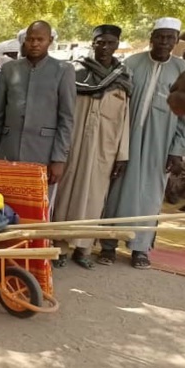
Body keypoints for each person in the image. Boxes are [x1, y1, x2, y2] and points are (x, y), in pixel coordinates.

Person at [99, 18, 185, 269]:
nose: (163, 42)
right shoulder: (131, 64)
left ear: (176, 39)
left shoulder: (183, 70)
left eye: (169, 37)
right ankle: (108, 244)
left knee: (150, 195)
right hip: (125, 140)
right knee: (116, 192)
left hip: (161, 145)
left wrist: (177, 151)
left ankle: (140, 248)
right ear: (151, 37)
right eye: (159, 36)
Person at [52, 25, 132, 269]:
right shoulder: (75, 72)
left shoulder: (122, 78)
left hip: (104, 149)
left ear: (117, 45)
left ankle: (84, 248)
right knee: (66, 196)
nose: (104, 47)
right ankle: (60, 246)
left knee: (94, 199)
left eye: (109, 43)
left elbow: (125, 119)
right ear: (93, 43)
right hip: (73, 145)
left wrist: (122, 155)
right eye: (100, 42)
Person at [0, 20, 76, 190]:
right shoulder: (9, 69)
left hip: (43, 155)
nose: (34, 44)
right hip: (7, 152)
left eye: (40, 39)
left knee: (36, 209)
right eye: (30, 39)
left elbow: (66, 119)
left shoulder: (63, 70)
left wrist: (59, 159)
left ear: (49, 40)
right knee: (5, 206)